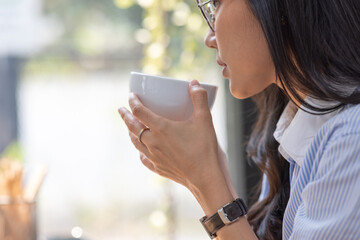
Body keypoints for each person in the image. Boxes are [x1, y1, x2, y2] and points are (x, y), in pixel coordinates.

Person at [118, 0, 360, 239]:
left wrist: (205, 182)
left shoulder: (351, 138)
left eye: (216, 5)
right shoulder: (294, 129)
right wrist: (212, 175)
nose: (209, 38)